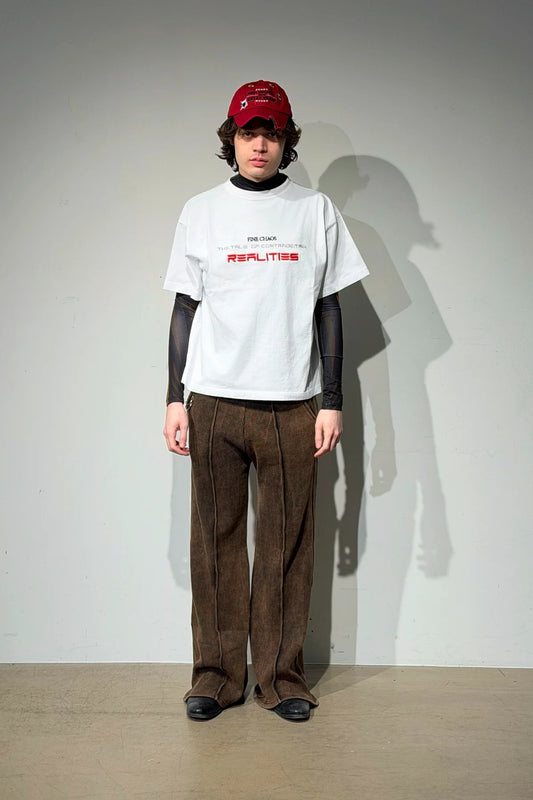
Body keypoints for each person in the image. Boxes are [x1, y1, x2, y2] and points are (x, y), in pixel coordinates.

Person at [163, 80, 369, 722]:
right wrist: (174, 398)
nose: (260, 145)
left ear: (286, 141)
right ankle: (216, 677)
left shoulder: (315, 211)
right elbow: (184, 308)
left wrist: (331, 400)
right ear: (232, 138)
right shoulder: (201, 210)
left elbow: (330, 308)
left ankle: (282, 679)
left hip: (291, 402)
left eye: (272, 133)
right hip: (215, 401)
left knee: (287, 546)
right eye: (249, 132)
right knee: (215, 543)